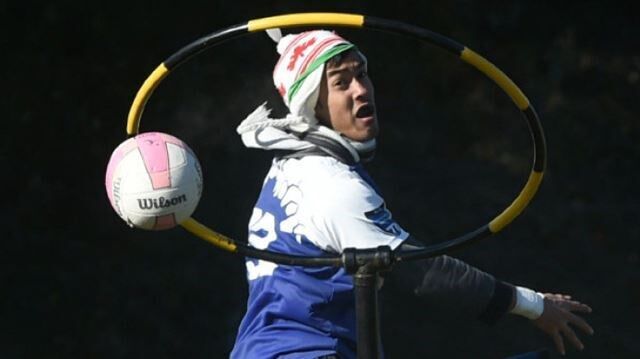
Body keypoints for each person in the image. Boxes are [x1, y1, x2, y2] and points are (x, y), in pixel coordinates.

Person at [230, 29, 593, 358]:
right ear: (313, 106)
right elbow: (424, 274)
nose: (361, 88)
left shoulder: (284, 169)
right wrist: (533, 305)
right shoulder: (332, 185)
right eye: (342, 82)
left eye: (362, 73)